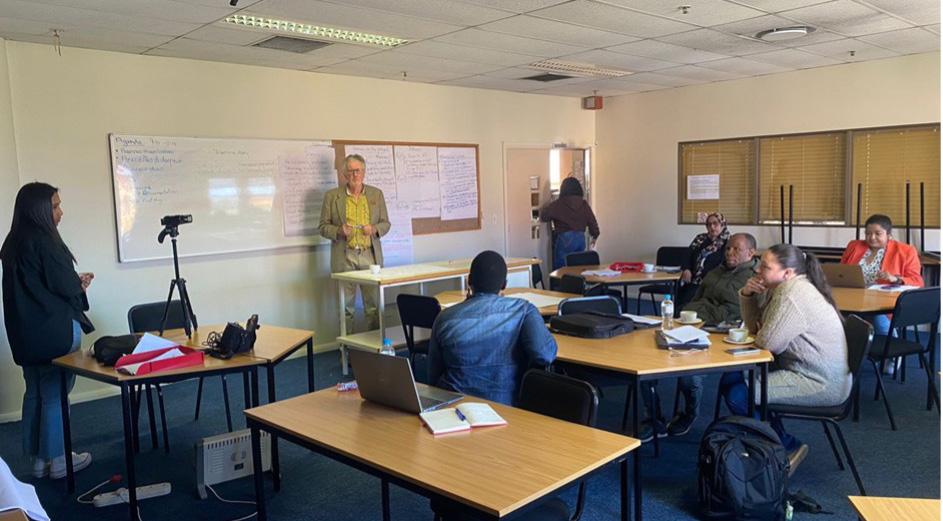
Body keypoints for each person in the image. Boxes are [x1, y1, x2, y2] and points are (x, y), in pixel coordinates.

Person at [720, 244, 851, 474]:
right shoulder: (782, 287)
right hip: (805, 371)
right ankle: (769, 437)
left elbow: (767, 342)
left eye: (765, 267)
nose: (757, 270)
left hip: (821, 382)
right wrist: (749, 296)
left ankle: (787, 446)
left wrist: (760, 325)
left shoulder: (792, 295)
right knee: (730, 378)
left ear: (787, 273)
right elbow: (756, 330)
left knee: (738, 395)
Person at [1, 182, 95, 479]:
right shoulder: (47, 241)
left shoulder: (11, 243)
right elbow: (64, 286)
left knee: (35, 391)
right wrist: (79, 283)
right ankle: (59, 460)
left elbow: (35, 286)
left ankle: (40, 461)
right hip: (55, 332)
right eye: (55, 206)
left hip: (24, 334)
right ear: (39, 210)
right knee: (55, 394)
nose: (60, 212)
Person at [638, 233, 758, 441]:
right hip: (690, 324)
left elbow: (737, 313)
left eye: (736, 249)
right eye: (728, 248)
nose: (730, 252)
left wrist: (701, 317)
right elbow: (696, 299)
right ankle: (654, 418)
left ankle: (689, 413)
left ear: (751, 252)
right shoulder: (715, 271)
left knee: (689, 374)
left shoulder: (754, 280)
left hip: (718, 332)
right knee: (643, 360)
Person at [427, 251, 557, 406]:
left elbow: (432, 376)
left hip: (455, 405)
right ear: (504, 284)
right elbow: (545, 355)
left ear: (469, 281)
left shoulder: (444, 318)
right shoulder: (524, 311)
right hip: (506, 406)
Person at [319, 154, 391, 333]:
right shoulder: (332, 196)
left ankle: (374, 344)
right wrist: (338, 231)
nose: (354, 175)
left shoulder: (376, 194)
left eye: (358, 170)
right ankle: (347, 347)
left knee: (373, 307)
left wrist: (374, 229)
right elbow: (322, 227)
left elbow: (386, 224)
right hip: (345, 256)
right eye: (350, 171)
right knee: (346, 308)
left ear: (364, 172)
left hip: (369, 256)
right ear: (344, 174)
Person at [840, 214, 923, 335]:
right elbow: (841, 271)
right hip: (853, 297)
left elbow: (917, 281)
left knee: (879, 320)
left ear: (888, 235)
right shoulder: (854, 246)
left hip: (884, 301)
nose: (872, 237)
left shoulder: (906, 251)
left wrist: (896, 279)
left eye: (878, 234)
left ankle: (890, 344)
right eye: (868, 233)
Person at [540, 177, 600, 270]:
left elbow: (544, 217)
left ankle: (562, 279)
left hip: (564, 238)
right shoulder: (584, 204)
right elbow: (592, 221)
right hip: (580, 238)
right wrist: (595, 234)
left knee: (561, 269)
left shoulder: (558, 204)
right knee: (578, 266)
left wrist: (546, 205)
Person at [677, 212, 730, 308]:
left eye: (715, 223)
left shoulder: (729, 242)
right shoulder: (700, 238)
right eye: (709, 224)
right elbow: (687, 254)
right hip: (695, 280)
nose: (712, 227)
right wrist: (686, 269)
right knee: (682, 303)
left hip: (715, 282)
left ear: (722, 224)